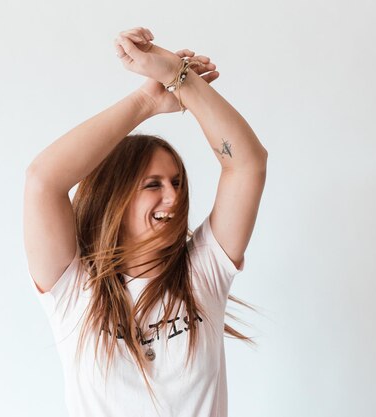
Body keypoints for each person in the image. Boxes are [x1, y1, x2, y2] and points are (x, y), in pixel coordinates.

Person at [23, 27, 268, 417]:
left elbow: (247, 164)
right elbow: (43, 180)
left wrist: (178, 76)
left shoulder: (202, 273)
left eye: (176, 183)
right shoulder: (73, 290)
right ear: (116, 196)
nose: (173, 196)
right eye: (153, 185)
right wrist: (145, 101)